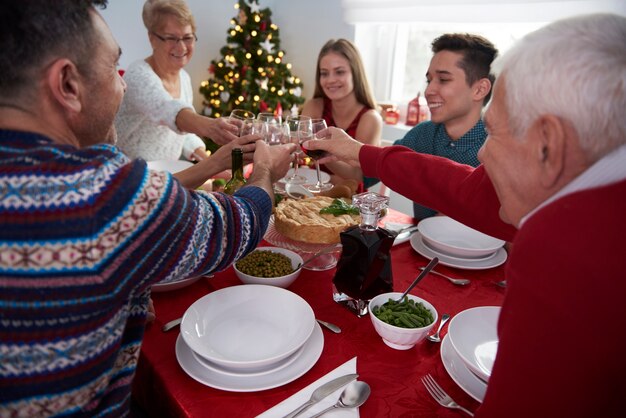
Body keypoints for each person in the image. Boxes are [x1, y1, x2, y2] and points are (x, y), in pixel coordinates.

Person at [305, 13, 626, 417]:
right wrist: (361, 153)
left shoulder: (569, 252)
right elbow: (465, 189)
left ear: (549, 142)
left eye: (494, 134)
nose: (480, 153)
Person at [0, 1, 296, 416]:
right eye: (112, 70)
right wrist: (263, 171)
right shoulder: (106, 194)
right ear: (67, 83)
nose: (121, 87)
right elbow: (237, 226)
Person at [367, 33, 498, 220]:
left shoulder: (500, 149)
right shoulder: (422, 134)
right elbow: (373, 170)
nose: (429, 91)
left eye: (443, 80)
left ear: (479, 89)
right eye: (429, 80)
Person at [115, 0, 238, 162]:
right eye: (171, 38)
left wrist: (209, 161)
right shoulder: (138, 74)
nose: (181, 48)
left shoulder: (184, 78)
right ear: (152, 39)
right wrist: (212, 127)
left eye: (187, 37)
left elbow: (181, 134)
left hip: (168, 175)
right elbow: (168, 110)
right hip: (129, 175)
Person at [301, 38, 382, 189]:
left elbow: (358, 176)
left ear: (355, 74)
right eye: (324, 73)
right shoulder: (314, 106)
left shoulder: (370, 119)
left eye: (339, 72)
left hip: (348, 203)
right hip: (312, 195)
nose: (330, 80)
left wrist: (323, 151)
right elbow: (299, 158)